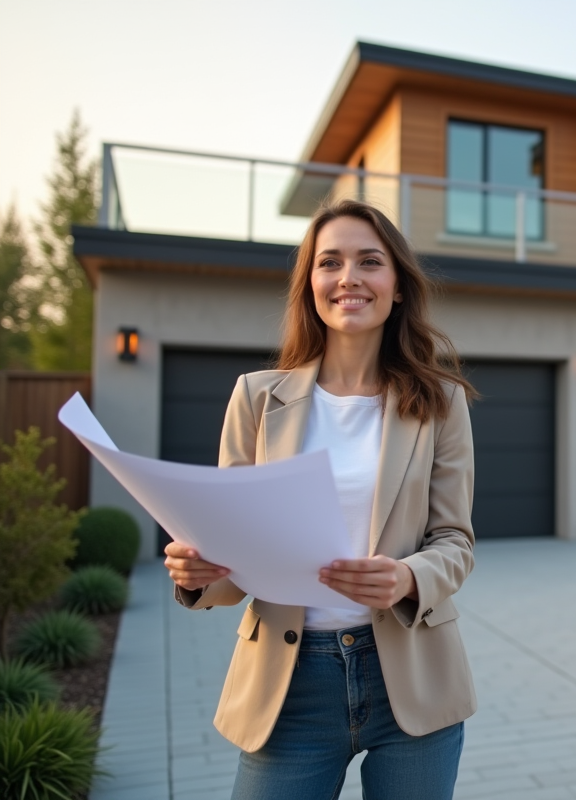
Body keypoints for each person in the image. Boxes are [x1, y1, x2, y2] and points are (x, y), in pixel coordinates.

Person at [162, 198, 477, 800]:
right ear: (310, 283)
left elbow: (455, 542)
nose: (349, 278)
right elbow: (232, 551)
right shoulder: (256, 399)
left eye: (370, 261)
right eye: (330, 262)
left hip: (411, 677)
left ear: (398, 285)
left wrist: (408, 577)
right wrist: (200, 572)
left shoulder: (439, 402)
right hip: (290, 685)